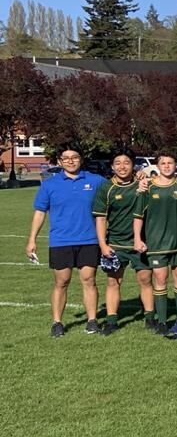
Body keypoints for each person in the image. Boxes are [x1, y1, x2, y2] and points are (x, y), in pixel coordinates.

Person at [30, 143, 106, 337]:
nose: (71, 161)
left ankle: (92, 321)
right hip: (61, 241)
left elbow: (115, 190)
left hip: (89, 240)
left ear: (81, 159)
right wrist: (32, 240)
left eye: (75, 157)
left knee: (89, 280)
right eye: (66, 158)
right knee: (62, 281)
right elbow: (40, 213)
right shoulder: (49, 184)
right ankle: (57, 322)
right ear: (59, 161)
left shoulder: (96, 181)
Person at [132, 152, 177, 338]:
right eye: (163, 163)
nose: (167, 166)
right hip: (157, 242)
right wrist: (137, 238)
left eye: (170, 163)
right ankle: (162, 320)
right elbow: (138, 216)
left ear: (176, 165)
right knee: (160, 278)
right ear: (157, 166)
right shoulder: (148, 187)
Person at [93, 151, 155, 334]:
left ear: (134, 165)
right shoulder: (106, 188)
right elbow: (101, 219)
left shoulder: (144, 183)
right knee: (113, 282)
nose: (122, 166)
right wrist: (103, 245)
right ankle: (112, 320)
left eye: (126, 162)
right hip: (116, 243)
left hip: (141, 243)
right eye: (117, 163)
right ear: (112, 167)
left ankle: (150, 317)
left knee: (145, 279)